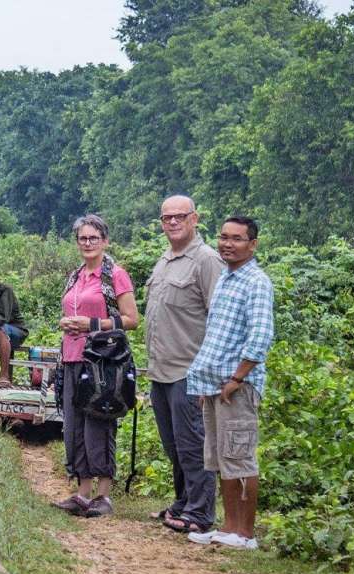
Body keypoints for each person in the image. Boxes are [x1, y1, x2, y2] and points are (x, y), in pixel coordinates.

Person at [185, 216, 274, 550]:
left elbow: (261, 336)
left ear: (252, 244)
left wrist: (237, 378)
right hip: (213, 385)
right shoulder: (226, 277)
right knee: (221, 457)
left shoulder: (256, 282)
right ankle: (228, 528)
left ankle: (245, 534)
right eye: (223, 237)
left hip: (236, 386)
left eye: (237, 239)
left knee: (240, 456)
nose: (227, 244)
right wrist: (205, 385)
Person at [144, 195, 224, 534]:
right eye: (167, 218)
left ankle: (200, 512)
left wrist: (212, 376)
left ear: (195, 219)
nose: (173, 222)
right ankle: (183, 502)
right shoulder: (164, 260)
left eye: (180, 216)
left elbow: (219, 320)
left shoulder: (207, 260)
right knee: (173, 444)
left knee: (194, 444)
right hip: (161, 370)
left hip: (190, 371)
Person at [53, 214, 139, 518]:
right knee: (74, 425)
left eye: (93, 238)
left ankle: (103, 495)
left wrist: (91, 324)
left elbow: (131, 320)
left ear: (105, 241)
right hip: (72, 358)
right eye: (82, 238)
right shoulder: (76, 275)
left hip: (102, 362)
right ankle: (82, 492)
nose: (87, 243)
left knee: (98, 424)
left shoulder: (115, 275)